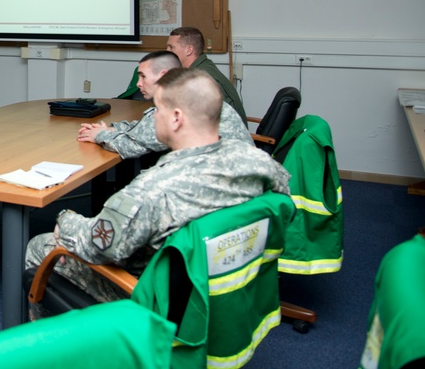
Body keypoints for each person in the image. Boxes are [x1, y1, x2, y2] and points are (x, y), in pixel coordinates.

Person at [27, 68, 290, 315]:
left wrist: (66, 220)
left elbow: (99, 247)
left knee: (40, 245)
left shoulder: (152, 190)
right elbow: (282, 207)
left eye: (157, 110)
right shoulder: (261, 164)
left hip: (157, 296)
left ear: (176, 118)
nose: (153, 116)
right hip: (224, 284)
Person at [78, 51, 253, 159]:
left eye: (143, 77)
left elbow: (131, 147)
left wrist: (100, 135)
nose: (138, 84)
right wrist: (115, 129)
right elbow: (145, 128)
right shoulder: (192, 93)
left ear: (163, 75)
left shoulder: (176, 105)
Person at [167, 26, 247, 121]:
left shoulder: (201, 79)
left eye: (171, 47)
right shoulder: (203, 66)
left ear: (189, 50)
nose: (167, 51)